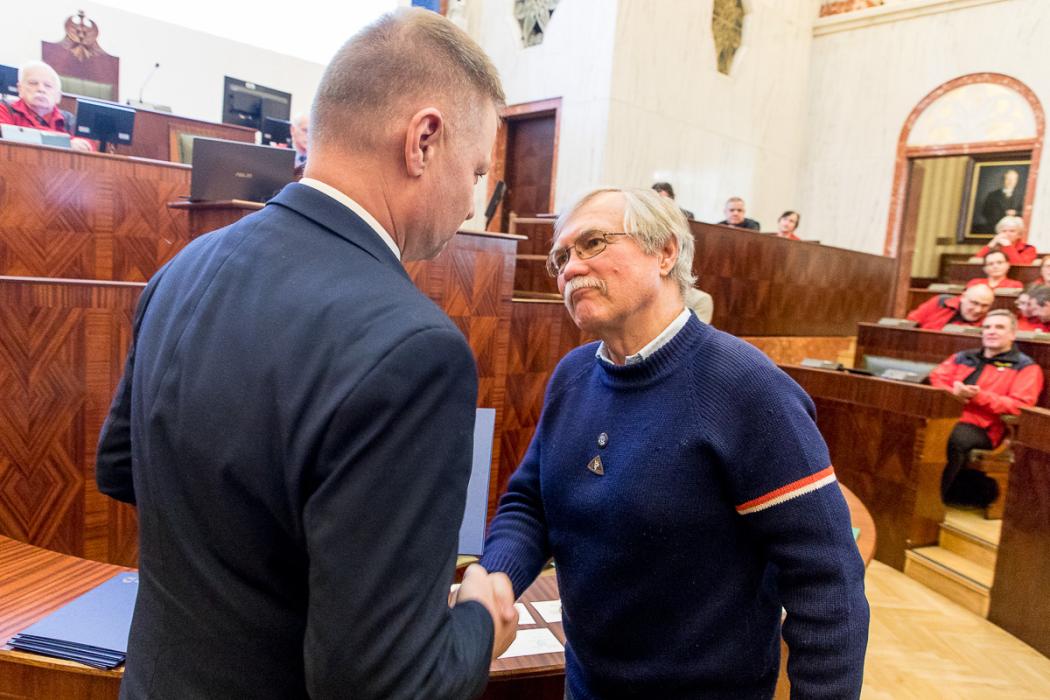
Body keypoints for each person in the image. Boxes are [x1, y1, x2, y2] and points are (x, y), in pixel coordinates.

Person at [95, 9, 517, 698]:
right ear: (423, 141)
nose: (474, 204)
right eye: (476, 172)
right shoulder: (415, 351)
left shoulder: (184, 268)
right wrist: (479, 623)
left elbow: (121, 470)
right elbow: (382, 685)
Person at [480, 187, 869, 699]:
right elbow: (530, 503)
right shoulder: (572, 376)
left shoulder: (748, 387)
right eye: (561, 257)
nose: (570, 268)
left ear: (665, 252)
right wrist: (499, 576)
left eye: (592, 243)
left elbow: (827, 581)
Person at [929, 310, 1043, 506]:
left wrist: (978, 396)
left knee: (949, 437)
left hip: (985, 428)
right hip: (945, 415)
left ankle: (932, 502)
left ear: (1013, 334)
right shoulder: (963, 356)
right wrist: (952, 392)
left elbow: (1020, 407)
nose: (991, 331)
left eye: (999, 327)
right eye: (987, 327)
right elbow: (936, 377)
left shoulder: (1026, 367)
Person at [0, 60, 92, 151]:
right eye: (33, 83)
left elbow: (87, 145)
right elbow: (5, 135)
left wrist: (24, 134)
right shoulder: (4, 109)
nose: (41, 89)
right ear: (20, 89)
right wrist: (65, 143)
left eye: (48, 86)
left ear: (58, 96)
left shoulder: (69, 121)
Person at [906, 284, 995, 330]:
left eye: (985, 305)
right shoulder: (940, 302)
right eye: (974, 303)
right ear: (963, 297)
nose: (978, 310)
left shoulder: (989, 323)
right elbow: (911, 322)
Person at [977, 169, 1023, 233]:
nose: (1010, 182)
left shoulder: (1021, 196)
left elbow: (1026, 213)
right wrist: (1003, 215)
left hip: (1015, 231)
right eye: (1008, 179)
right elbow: (985, 212)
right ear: (1003, 180)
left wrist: (1015, 213)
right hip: (994, 229)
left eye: (1013, 179)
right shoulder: (992, 195)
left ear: (1016, 181)